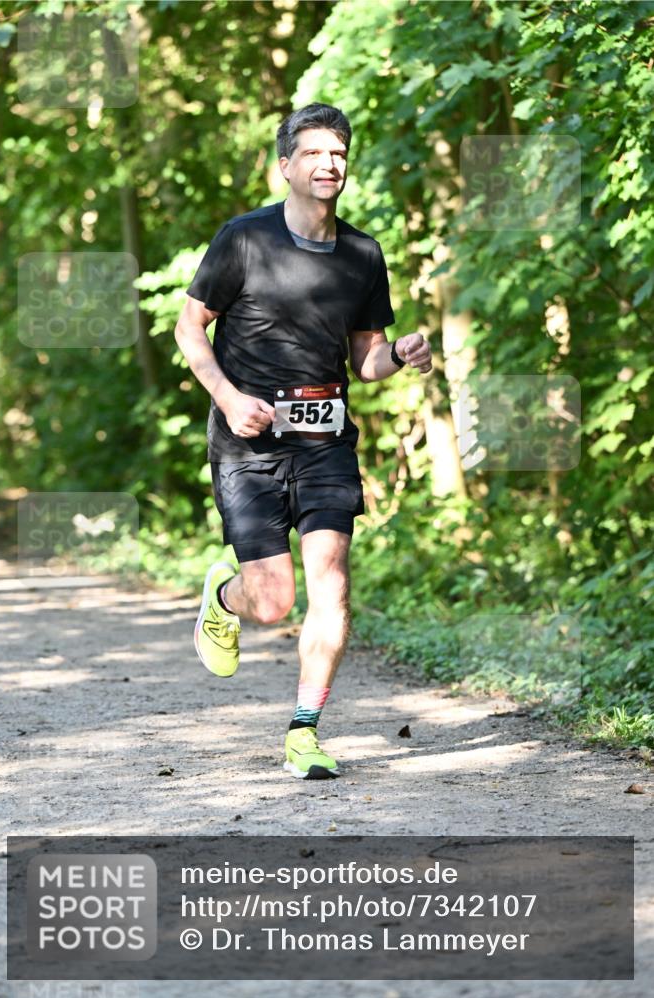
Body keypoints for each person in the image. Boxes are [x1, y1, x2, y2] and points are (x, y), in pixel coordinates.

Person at [175, 103, 432, 780]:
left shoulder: (361, 254)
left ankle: (304, 730)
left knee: (333, 583)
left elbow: (365, 361)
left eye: (338, 154)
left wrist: (401, 354)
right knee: (273, 602)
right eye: (313, 153)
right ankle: (224, 597)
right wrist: (229, 400)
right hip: (247, 445)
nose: (328, 164)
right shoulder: (244, 240)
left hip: (324, 442)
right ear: (284, 164)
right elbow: (188, 329)